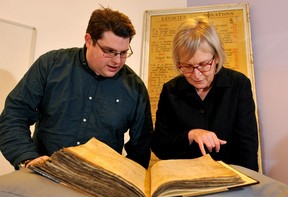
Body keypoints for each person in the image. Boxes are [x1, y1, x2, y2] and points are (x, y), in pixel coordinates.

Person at [0, 7, 153, 169]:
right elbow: (14, 116)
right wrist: (28, 158)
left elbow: (141, 148)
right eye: (110, 51)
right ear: (89, 40)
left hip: (99, 187)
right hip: (44, 177)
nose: (117, 61)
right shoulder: (51, 65)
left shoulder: (135, 88)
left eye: (123, 53)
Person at [151, 16, 259, 171]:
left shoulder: (239, 85)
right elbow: (160, 146)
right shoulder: (170, 90)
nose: (196, 75)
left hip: (230, 181)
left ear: (216, 57)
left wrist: (248, 188)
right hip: (186, 181)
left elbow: (247, 147)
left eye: (203, 65)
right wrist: (191, 135)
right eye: (187, 66)